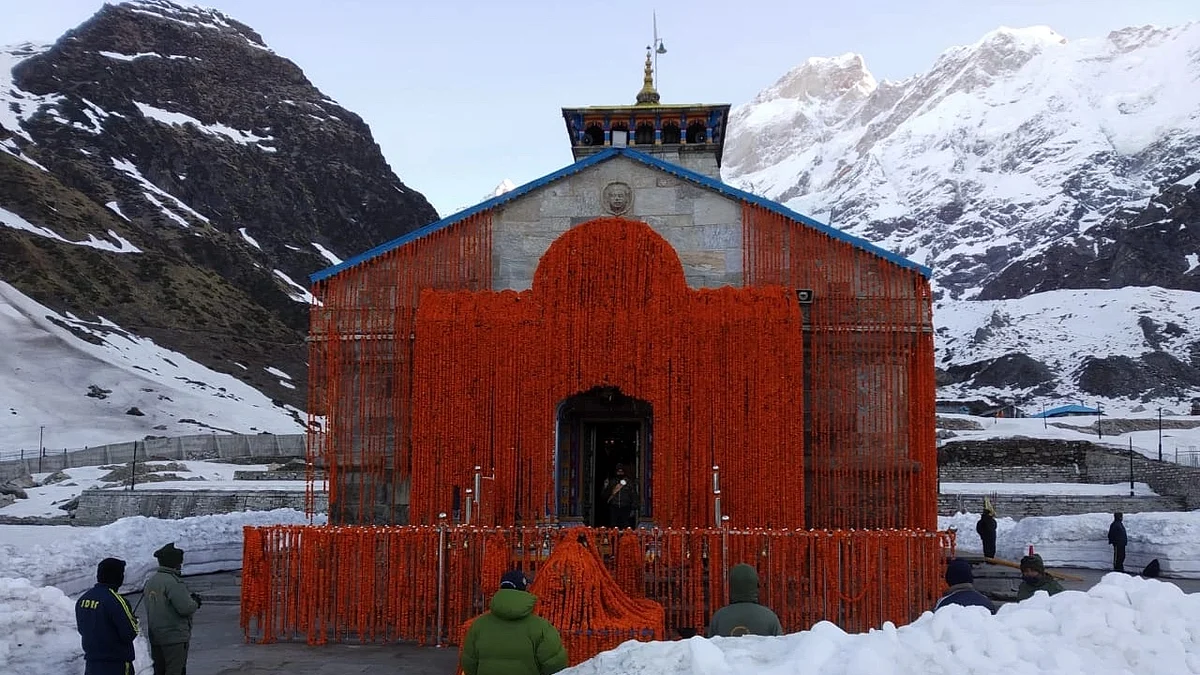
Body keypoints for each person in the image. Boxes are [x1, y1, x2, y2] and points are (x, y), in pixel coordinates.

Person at [460, 569, 568, 675]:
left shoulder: (478, 625)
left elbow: (469, 665)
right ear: (525, 590)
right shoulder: (542, 627)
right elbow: (556, 666)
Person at [144, 543, 201, 675]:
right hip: (174, 637)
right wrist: (195, 602)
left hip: (156, 635)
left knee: (159, 670)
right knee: (175, 670)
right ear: (175, 563)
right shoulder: (173, 582)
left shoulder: (151, 581)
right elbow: (185, 608)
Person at [76, 557, 139, 675]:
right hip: (116, 664)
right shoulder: (116, 600)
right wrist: (134, 621)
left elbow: (82, 629)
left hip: (92, 665)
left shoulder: (83, 599)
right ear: (117, 577)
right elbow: (129, 634)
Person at [707, 563, 783, 637]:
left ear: (731, 587)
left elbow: (708, 648)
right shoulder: (770, 618)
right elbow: (780, 647)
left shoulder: (719, 618)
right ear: (756, 586)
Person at [602, 463, 639, 529]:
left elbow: (633, 494)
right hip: (614, 506)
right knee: (614, 525)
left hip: (626, 506)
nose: (620, 473)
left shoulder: (628, 482)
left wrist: (634, 506)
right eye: (618, 471)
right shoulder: (612, 482)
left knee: (625, 525)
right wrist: (605, 487)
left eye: (621, 471)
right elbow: (605, 495)